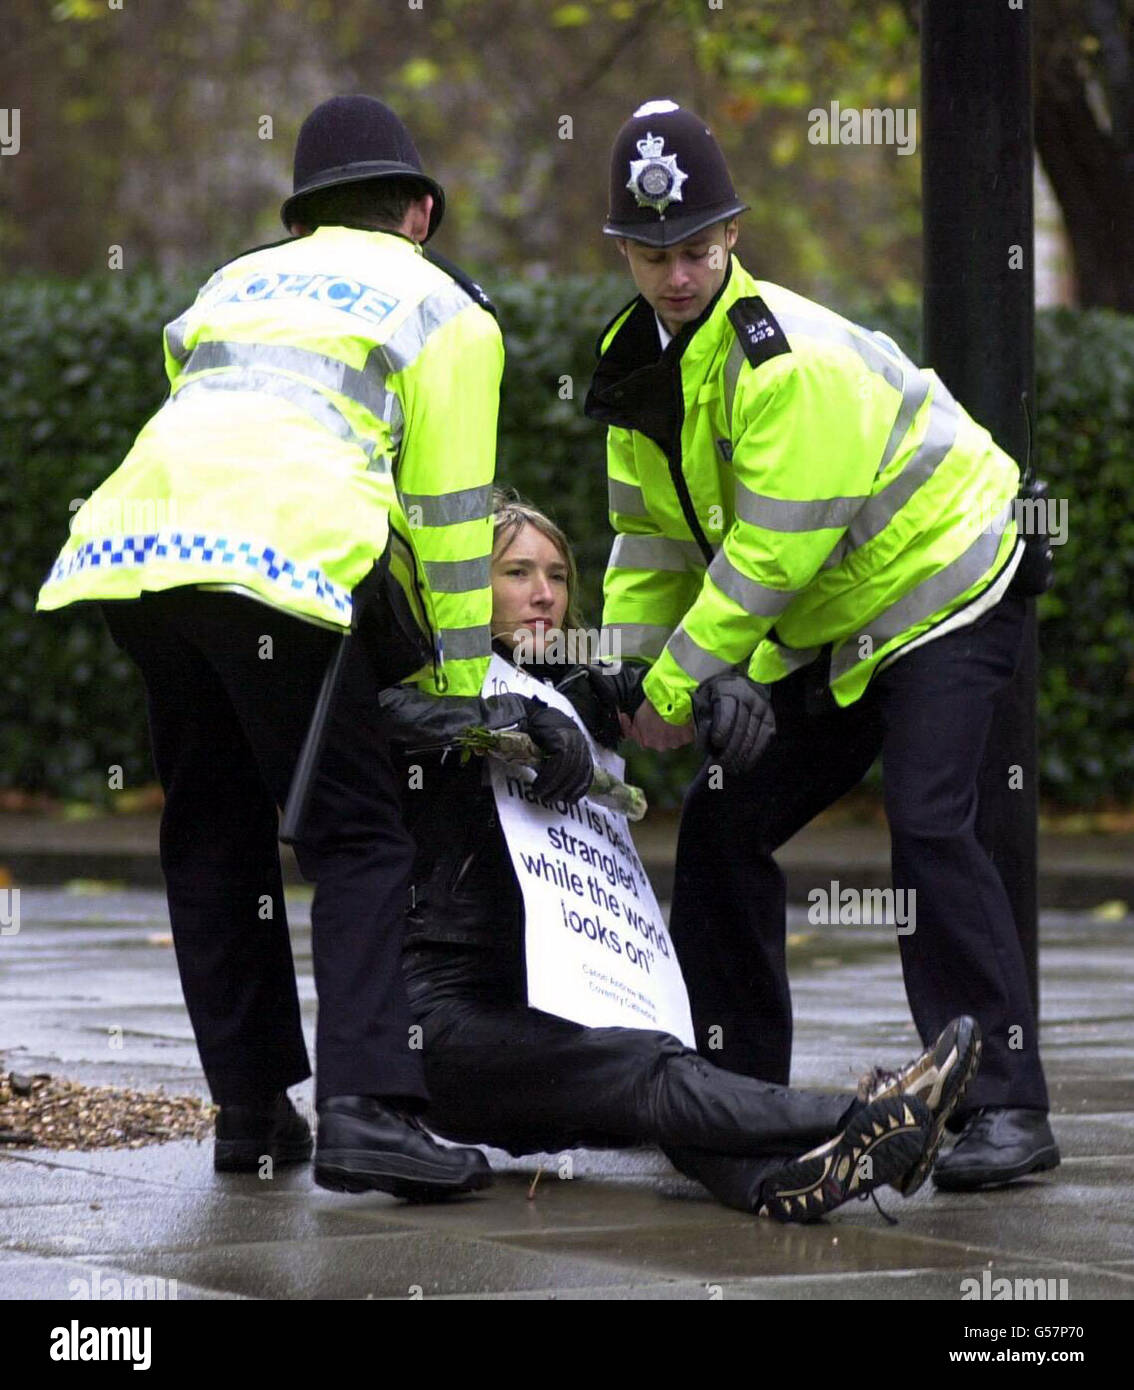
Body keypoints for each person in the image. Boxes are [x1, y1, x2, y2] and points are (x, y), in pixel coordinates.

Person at [36, 94, 593, 1201]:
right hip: (279, 569)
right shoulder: (446, 309)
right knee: (359, 836)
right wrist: (453, 684)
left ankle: (250, 1112)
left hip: (135, 554)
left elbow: (206, 421)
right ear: (420, 211)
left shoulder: (229, 285)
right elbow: (445, 515)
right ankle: (369, 1112)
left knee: (211, 827)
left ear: (301, 219)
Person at [582, 99, 1059, 1191]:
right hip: (844, 624)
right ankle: (734, 1096)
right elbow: (649, 541)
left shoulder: (778, 355)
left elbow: (774, 551)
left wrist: (681, 683)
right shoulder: (634, 375)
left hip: (949, 583)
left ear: (733, 238)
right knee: (723, 817)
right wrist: (635, 673)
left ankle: (1008, 1110)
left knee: (931, 814)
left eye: (697, 248)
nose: (677, 273)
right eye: (654, 253)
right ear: (621, 250)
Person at [380, 491, 982, 1221]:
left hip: (545, 1018)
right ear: (470, 587)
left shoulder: (568, 691)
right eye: (515, 573)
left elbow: (635, 688)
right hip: (442, 1029)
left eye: (558, 576)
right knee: (644, 1066)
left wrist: (708, 693)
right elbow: (392, 720)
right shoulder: (424, 686)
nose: (543, 594)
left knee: (661, 1074)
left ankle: (780, 1183)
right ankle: (870, 1115)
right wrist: (502, 716)